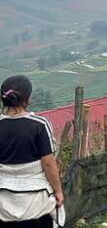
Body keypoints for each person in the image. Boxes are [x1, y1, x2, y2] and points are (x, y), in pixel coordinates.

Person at [0, 75, 65, 228]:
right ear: (27, 99)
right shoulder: (39, 125)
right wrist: (58, 191)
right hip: (36, 201)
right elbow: (49, 163)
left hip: (3, 201)